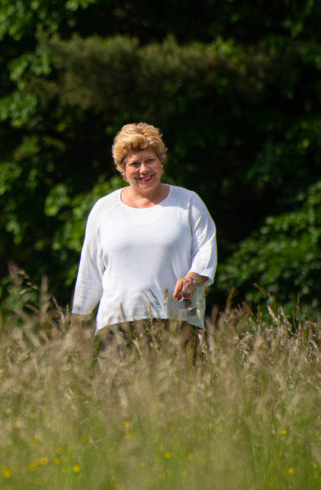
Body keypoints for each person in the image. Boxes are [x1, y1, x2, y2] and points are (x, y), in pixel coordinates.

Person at [71, 122, 217, 347]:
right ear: (123, 169)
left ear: (161, 162)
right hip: (116, 328)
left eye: (150, 161)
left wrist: (192, 280)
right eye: (134, 164)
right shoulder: (104, 209)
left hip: (177, 322)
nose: (143, 170)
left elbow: (206, 251)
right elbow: (89, 270)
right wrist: (77, 323)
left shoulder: (188, 202)